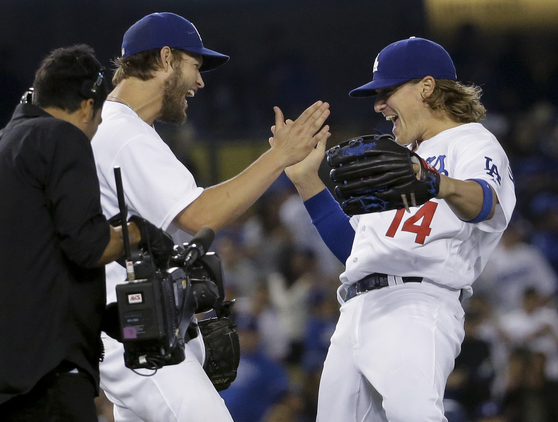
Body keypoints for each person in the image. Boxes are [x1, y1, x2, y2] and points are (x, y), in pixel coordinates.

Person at [91, 12, 330, 422]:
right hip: (134, 332)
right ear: (166, 58)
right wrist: (278, 157)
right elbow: (201, 215)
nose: (200, 82)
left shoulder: (122, 128)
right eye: (195, 66)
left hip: (139, 329)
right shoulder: (122, 132)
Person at [281, 37, 516, 421]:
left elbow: (487, 204)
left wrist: (440, 183)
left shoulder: (472, 140)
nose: (378, 105)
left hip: (418, 304)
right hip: (355, 306)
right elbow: (357, 250)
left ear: (427, 87)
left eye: (387, 91)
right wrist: (307, 181)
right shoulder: (395, 159)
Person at [0, 44, 169, 421]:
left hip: (0, 377)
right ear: (88, 106)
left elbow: (22, 267)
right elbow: (89, 246)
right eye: (97, 121)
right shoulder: (59, 136)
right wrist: (138, 233)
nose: (92, 133)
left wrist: (99, 318)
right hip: (49, 375)